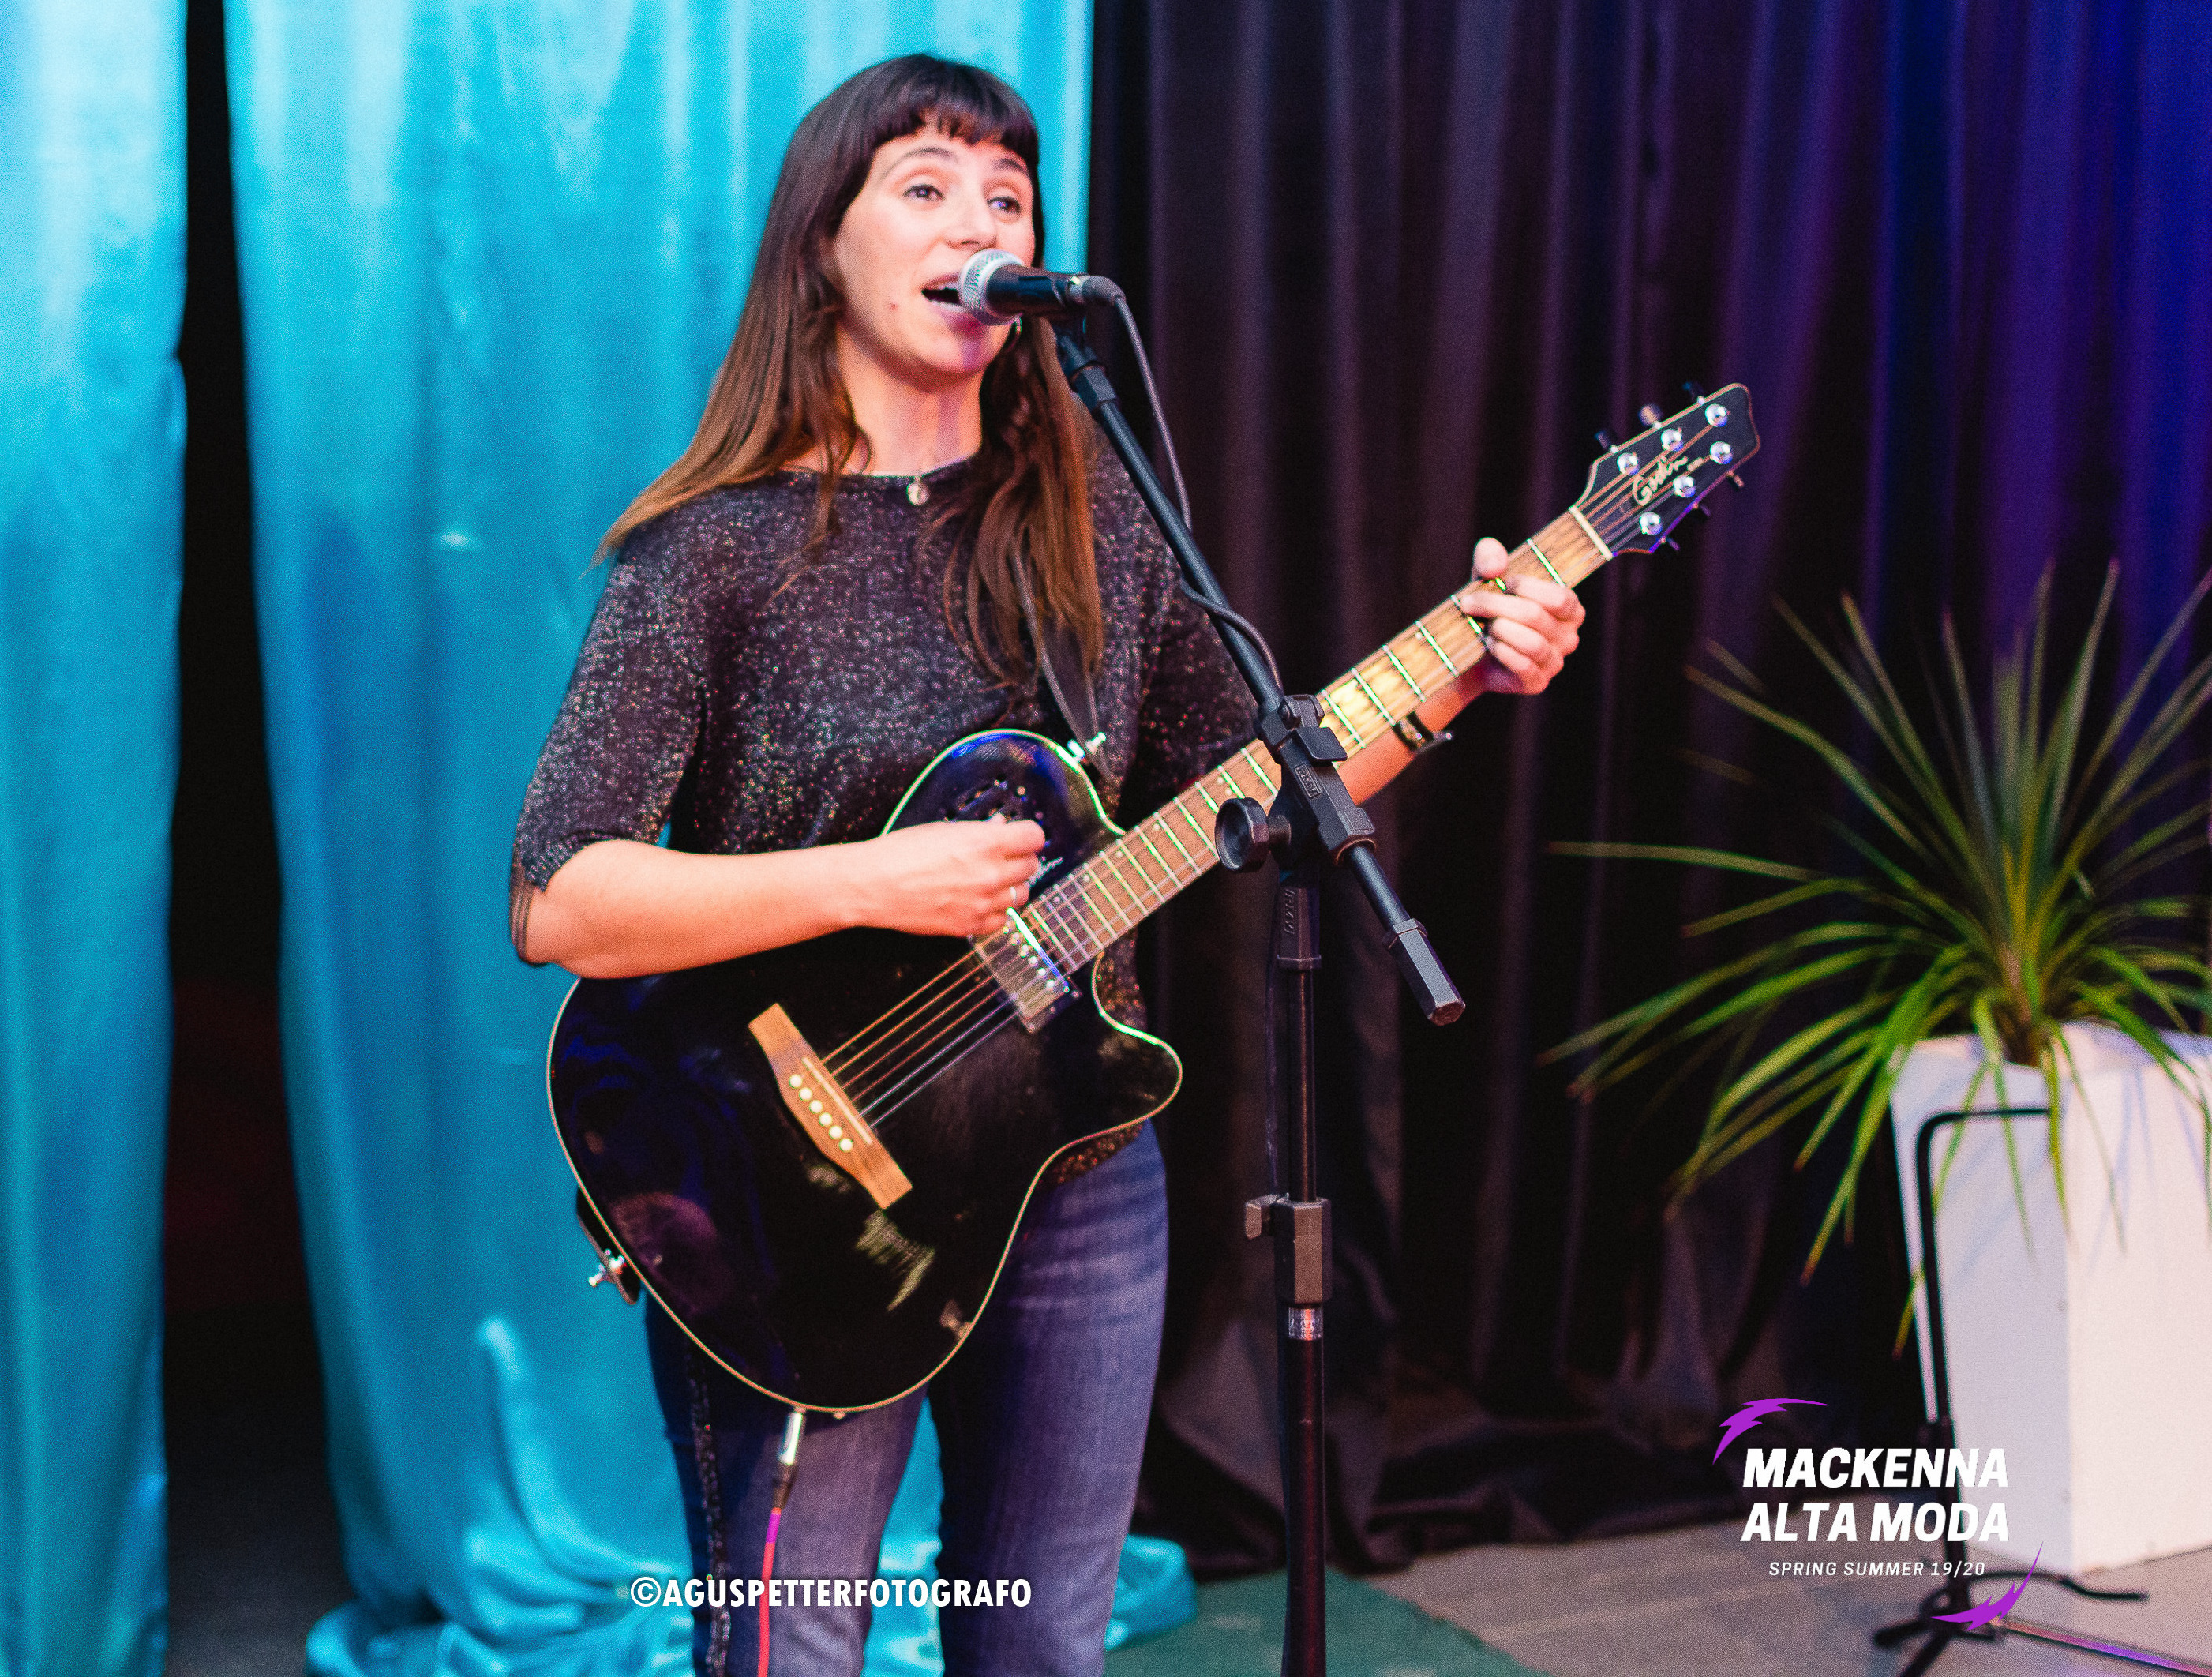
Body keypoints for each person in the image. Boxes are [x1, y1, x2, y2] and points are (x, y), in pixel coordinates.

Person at [510, 54, 1584, 1677]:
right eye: (927, 187)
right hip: (781, 1175)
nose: (979, 222)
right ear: (824, 248)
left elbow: (1269, 785)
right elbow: (561, 899)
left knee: (1043, 1645)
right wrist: (869, 886)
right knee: (791, 1646)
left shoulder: (1095, 529)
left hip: (1070, 1178)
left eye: (1007, 194)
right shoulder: (712, 550)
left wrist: (1464, 679)